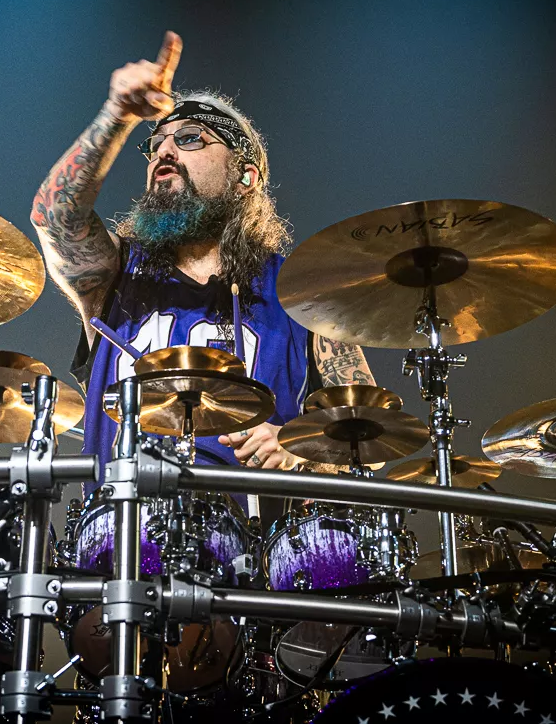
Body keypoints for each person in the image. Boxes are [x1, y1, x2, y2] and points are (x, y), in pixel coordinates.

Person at [31, 31, 374, 483]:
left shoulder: (303, 293)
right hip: (121, 521)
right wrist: (117, 115)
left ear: (245, 177)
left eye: (191, 139)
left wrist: (298, 446)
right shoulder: (117, 275)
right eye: (156, 144)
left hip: (251, 524)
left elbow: (371, 439)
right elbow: (55, 218)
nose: (164, 152)